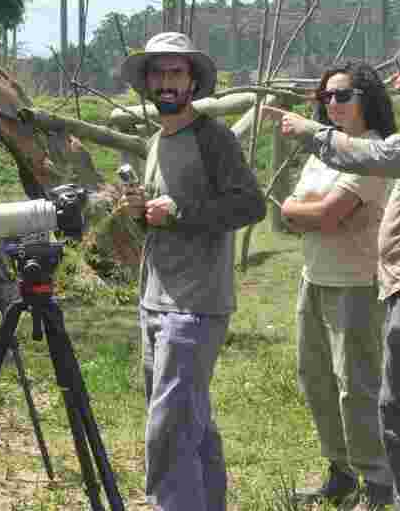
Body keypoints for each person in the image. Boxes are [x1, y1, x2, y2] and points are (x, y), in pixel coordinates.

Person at [262, 40, 400, 511]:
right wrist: (303, 206)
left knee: (398, 404)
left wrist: (307, 132)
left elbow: (334, 199)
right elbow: (293, 213)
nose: (399, 82)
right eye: (325, 100)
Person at [120, 31, 266, 511]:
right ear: (147, 82)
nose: (166, 81)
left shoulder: (213, 139)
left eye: (175, 72)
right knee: (190, 422)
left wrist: (178, 212)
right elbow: (157, 222)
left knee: (169, 426)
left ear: (192, 81)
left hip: (196, 304)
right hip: (154, 299)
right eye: (158, 72)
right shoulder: (155, 142)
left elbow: (249, 205)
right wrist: (141, 211)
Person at [283, 63, 396, 510]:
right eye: (326, 97)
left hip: (356, 284)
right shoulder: (323, 151)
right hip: (313, 278)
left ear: (366, 98)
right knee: (316, 380)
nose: (332, 104)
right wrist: (312, 212)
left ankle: (377, 482)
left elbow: (326, 214)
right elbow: (288, 211)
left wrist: (310, 212)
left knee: (357, 388)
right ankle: (341, 472)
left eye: (342, 95)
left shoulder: (371, 152)